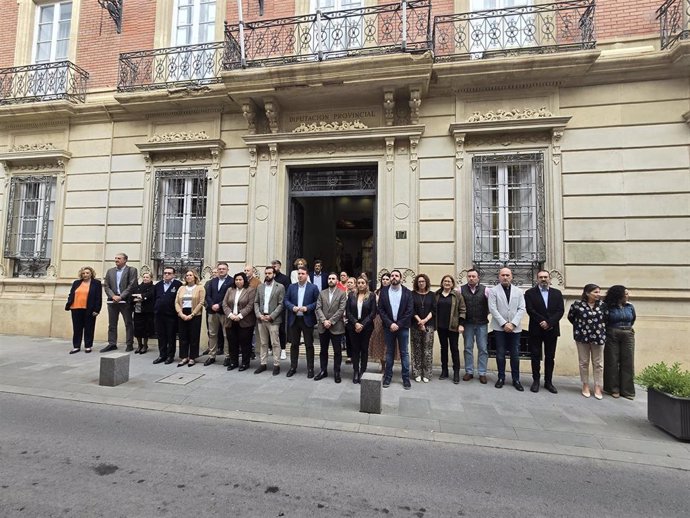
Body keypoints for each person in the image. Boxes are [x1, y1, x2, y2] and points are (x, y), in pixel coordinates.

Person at [524, 270, 565, 394]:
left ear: (549, 279)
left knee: (550, 357)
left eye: (545, 277)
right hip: (536, 329)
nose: (543, 279)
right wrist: (542, 321)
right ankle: (535, 381)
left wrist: (549, 322)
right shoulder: (530, 293)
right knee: (535, 356)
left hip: (552, 330)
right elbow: (530, 310)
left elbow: (560, 310)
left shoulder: (557, 293)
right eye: (541, 277)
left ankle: (548, 382)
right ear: (537, 279)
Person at [488, 267, 526, 391]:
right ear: (499, 277)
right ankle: (501, 378)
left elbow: (522, 309)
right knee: (500, 353)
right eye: (503, 275)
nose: (505, 277)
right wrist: (504, 324)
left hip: (515, 328)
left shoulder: (519, 291)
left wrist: (513, 323)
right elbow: (493, 309)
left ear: (512, 277)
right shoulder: (493, 291)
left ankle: (516, 379)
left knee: (515, 354)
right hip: (499, 328)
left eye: (507, 275)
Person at [568, 284, 606, 399]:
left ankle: (598, 386)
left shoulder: (603, 306)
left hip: (598, 337)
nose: (598, 294)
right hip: (582, 337)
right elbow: (571, 317)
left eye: (599, 292)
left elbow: (607, 319)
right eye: (595, 292)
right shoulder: (577, 305)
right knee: (583, 362)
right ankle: (585, 384)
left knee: (598, 363)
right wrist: (581, 328)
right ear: (587, 293)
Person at [377, 269, 414, 389]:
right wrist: (390, 323)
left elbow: (409, 311)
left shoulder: (407, 292)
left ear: (400, 278)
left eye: (396, 276)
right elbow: (381, 310)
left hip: (402, 327)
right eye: (392, 275)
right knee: (389, 353)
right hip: (389, 327)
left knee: (404, 353)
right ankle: (388, 377)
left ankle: (406, 379)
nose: (393, 277)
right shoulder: (383, 292)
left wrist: (398, 324)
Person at [284, 266, 320, 378]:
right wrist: (292, 307)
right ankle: (293, 367)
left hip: (307, 319)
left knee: (309, 345)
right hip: (294, 319)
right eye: (299, 273)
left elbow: (317, 302)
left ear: (307, 275)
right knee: (294, 345)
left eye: (302, 273)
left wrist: (307, 308)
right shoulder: (291, 287)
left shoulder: (313, 288)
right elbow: (286, 300)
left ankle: (310, 368)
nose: (300, 275)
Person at [603, 285, 636, 400]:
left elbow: (633, 319)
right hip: (612, 332)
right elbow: (605, 320)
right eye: (625, 294)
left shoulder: (630, 307)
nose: (628, 296)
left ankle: (627, 390)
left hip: (627, 333)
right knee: (612, 360)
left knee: (628, 361)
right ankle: (613, 388)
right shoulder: (608, 307)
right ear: (619, 295)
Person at [314, 273, 348, 383]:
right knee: (323, 351)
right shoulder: (322, 293)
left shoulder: (342, 293)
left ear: (337, 281)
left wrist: (331, 321)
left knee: (337, 351)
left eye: (333, 278)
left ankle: (337, 372)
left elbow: (341, 309)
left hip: (336, 326)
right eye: (329, 278)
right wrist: (324, 321)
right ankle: (323, 370)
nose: (331, 280)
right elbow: (318, 308)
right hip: (323, 327)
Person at [102, 253, 138, 352]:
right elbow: (106, 286)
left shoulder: (132, 270)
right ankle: (112, 343)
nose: (116, 260)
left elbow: (132, 285)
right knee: (112, 324)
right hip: (112, 300)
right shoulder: (110, 271)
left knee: (128, 323)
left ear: (125, 260)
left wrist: (121, 296)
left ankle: (129, 344)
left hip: (125, 301)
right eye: (115, 258)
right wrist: (113, 296)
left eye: (119, 258)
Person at [253, 266, 285, 375]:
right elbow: (256, 302)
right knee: (263, 343)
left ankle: (276, 364)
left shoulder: (280, 287)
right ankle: (263, 363)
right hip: (262, 319)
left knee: (275, 342)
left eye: (270, 273)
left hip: (273, 320)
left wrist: (272, 316)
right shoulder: (260, 287)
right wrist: (258, 315)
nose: (267, 275)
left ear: (274, 274)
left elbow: (281, 304)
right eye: (266, 273)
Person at [435, 275, 466, 384]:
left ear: (452, 284)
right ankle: (444, 371)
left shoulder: (457, 295)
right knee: (443, 348)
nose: (447, 283)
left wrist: (461, 324)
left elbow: (462, 310)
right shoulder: (437, 294)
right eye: (445, 281)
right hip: (441, 326)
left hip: (453, 326)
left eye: (449, 281)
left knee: (454, 349)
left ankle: (456, 372)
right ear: (442, 282)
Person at [223, 272, 257, 371]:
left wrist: (240, 315)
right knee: (232, 343)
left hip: (245, 321)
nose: (238, 281)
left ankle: (245, 363)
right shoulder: (230, 290)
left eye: (240, 280)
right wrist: (230, 315)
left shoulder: (250, 290)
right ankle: (233, 362)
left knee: (245, 343)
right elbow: (224, 304)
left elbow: (250, 305)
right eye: (236, 280)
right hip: (231, 320)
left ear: (244, 280)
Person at [459, 269, 489, 384]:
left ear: (478, 278)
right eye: (469, 276)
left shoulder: (486, 290)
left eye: (473, 276)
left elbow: (491, 305)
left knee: (483, 349)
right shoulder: (460, 290)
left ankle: (482, 373)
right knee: (468, 348)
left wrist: (485, 314)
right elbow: (459, 307)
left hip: (482, 324)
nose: (471, 278)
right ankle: (469, 371)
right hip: (468, 324)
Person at [346, 275, 377, 383]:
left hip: (366, 327)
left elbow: (373, 313)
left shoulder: (371, 296)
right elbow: (348, 311)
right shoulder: (351, 295)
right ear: (356, 284)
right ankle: (355, 371)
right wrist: (355, 323)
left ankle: (363, 371)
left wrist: (362, 324)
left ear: (366, 284)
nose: (360, 285)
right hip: (353, 327)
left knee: (364, 349)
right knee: (355, 349)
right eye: (358, 283)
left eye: (362, 283)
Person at [65, 266, 102, 354]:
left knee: (89, 328)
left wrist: (97, 310)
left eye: (87, 273)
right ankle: (76, 346)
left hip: (89, 309)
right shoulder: (76, 283)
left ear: (91, 274)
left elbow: (98, 297)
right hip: (76, 308)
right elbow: (71, 294)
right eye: (83, 273)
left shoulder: (96, 283)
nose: (85, 275)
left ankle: (88, 346)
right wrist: (69, 303)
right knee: (77, 328)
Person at [204, 262, 233, 366]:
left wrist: (219, 305)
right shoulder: (212, 281)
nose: (221, 270)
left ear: (227, 270)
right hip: (212, 312)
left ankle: (227, 356)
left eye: (223, 269)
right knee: (212, 334)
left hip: (224, 312)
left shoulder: (232, 281)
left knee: (226, 335)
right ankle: (212, 356)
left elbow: (230, 297)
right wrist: (212, 305)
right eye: (220, 269)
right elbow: (207, 295)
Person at [175, 270, 205, 367]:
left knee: (193, 336)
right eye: (187, 275)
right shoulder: (181, 288)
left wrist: (192, 314)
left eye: (190, 275)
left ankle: (192, 357)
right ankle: (184, 357)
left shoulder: (200, 288)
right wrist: (180, 313)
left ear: (195, 277)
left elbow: (201, 302)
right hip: (183, 313)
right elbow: (176, 302)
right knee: (183, 336)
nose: (188, 277)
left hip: (195, 314)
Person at [153, 267, 182, 365]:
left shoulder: (178, 285)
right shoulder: (158, 285)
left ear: (174, 274)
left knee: (171, 336)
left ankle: (170, 356)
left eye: (169, 273)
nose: (166, 275)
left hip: (171, 315)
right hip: (159, 315)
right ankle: (162, 355)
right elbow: (154, 298)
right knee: (161, 336)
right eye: (165, 273)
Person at [410, 273, 436, 383]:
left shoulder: (432, 295)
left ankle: (427, 373)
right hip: (415, 325)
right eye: (419, 281)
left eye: (423, 281)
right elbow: (411, 309)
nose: (421, 283)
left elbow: (434, 310)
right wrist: (419, 321)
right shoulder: (412, 294)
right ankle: (416, 373)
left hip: (428, 325)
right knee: (416, 349)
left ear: (426, 282)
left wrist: (424, 320)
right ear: (417, 283)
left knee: (427, 350)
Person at [369, 272, 395, 373]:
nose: (384, 281)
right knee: (380, 343)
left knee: (389, 344)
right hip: (378, 319)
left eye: (387, 279)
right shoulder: (376, 291)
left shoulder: (393, 291)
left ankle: (389, 367)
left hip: (390, 319)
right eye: (383, 279)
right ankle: (383, 366)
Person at [132, 272, 155, 354]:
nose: (145, 278)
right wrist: (136, 299)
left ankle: (145, 345)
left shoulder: (153, 287)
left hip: (147, 311)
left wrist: (142, 297)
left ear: (151, 278)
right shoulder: (137, 287)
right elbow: (132, 296)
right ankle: (139, 345)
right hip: (138, 311)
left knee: (146, 329)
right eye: (144, 277)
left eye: (147, 277)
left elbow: (150, 295)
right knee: (137, 329)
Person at [272, 259, 291, 360]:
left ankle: (283, 349)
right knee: (270, 329)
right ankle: (272, 348)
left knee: (281, 329)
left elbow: (287, 293)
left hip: (280, 308)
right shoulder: (269, 278)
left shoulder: (285, 278)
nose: (274, 267)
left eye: (276, 265)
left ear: (280, 266)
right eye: (273, 265)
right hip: (270, 308)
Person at [203, 267, 224, 357]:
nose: (215, 273)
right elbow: (205, 296)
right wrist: (209, 305)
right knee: (211, 331)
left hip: (221, 310)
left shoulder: (226, 282)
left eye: (217, 272)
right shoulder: (209, 283)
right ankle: (211, 348)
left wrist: (219, 305)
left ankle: (220, 347)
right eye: (214, 272)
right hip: (210, 310)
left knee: (221, 331)